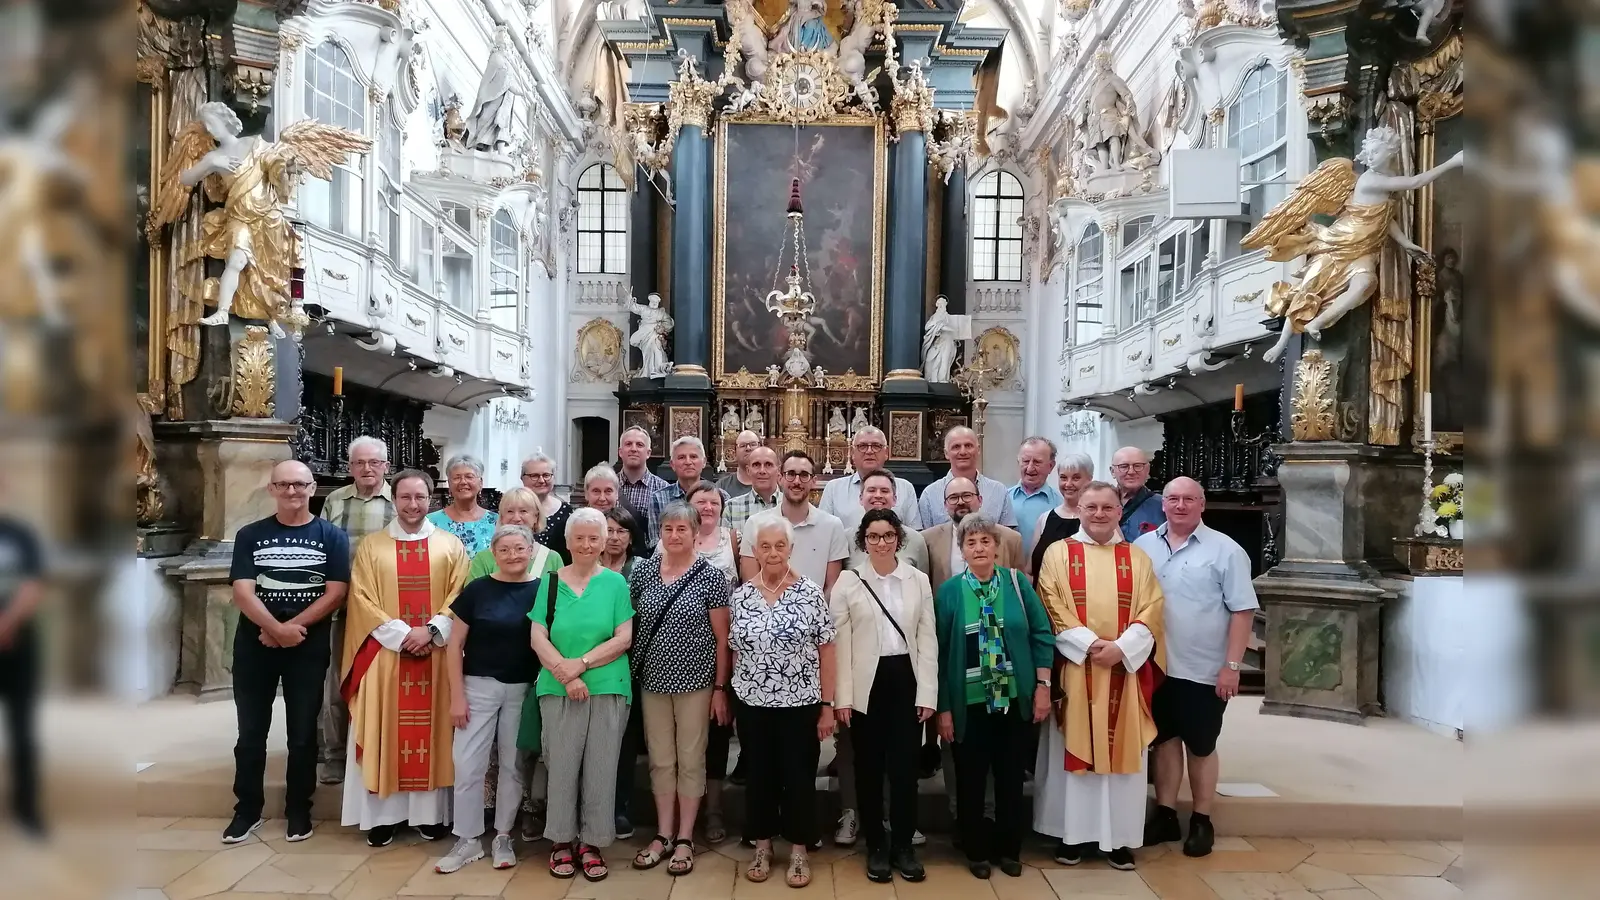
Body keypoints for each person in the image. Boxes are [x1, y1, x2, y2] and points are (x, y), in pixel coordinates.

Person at [1033, 481, 1166, 870]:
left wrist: (1122, 649)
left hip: (1124, 673)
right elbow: (1050, 602)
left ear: (1119, 512)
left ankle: (1118, 839)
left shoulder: (1136, 558)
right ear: (1080, 509)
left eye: (1107, 508)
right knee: (1073, 753)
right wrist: (1091, 645)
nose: (1099, 514)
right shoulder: (1060, 553)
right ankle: (1071, 837)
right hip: (1077, 669)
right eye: (1091, 507)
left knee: (1122, 755)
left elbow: (1152, 607)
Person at [340, 469, 471, 847]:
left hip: (436, 654)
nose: (413, 505)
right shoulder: (371, 546)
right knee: (385, 728)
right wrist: (403, 635)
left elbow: (460, 595)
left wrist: (429, 631)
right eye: (405, 497)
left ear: (431, 499)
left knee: (432, 736)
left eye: (420, 497)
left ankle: (428, 817)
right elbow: (362, 599)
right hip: (386, 656)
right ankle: (384, 817)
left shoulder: (450, 546)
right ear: (393, 499)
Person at [223, 460, 351, 844]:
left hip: (306, 647)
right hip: (254, 645)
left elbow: (336, 591)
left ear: (313, 488)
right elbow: (243, 590)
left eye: (299, 485)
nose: (292, 492)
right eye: (284, 485)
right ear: (272, 490)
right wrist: (275, 629)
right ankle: (247, 810)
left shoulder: (332, 536)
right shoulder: (250, 534)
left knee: (301, 735)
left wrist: (294, 629)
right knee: (250, 733)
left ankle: (299, 809)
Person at [1134, 477, 1257, 858]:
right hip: (1156, 665)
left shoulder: (1226, 551)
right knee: (1165, 741)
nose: (1180, 505)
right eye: (1173, 499)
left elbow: (1242, 610)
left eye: (1189, 499)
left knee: (1201, 745)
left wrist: (1232, 666)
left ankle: (1202, 819)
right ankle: (1166, 813)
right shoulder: (1142, 546)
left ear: (1202, 505)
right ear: (1163, 504)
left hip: (1204, 667)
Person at [932, 513, 1054, 879]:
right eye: (971, 543)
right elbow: (937, 652)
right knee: (970, 781)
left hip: (1013, 698)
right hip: (968, 702)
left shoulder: (1017, 584)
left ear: (998, 548)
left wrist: (1043, 687)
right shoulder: (950, 591)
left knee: (1009, 778)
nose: (980, 548)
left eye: (986, 541)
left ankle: (1009, 849)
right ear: (962, 550)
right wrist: (944, 709)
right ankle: (977, 851)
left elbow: (1042, 634)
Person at [830, 509, 936, 884]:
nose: (881, 542)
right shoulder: (847, 581)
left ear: (899, 538)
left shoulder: (917, 580)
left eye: (888, 535)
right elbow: (839, 644)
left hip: (905, 679)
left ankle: (903, 846)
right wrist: (840, 698)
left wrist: (927, 693)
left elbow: (927, 639)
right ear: (863, 541)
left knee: (906, 770)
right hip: (865, 685)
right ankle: (876, 845)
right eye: (873, 536)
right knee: (869, 769)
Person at [731, 517, 838, 889]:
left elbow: (827, 651)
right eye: (765, 546)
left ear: (791, 549)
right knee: (759, 777)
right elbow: (733, 651)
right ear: (755, 551)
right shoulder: (741, 596)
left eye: (780, 545)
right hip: (753, 705)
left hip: (801, 705)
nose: (773, 552)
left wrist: (827, 705)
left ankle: (798, 849)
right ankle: (762, 845)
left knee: (798, 778)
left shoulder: (810, 593)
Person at [530, 508, 635, 882]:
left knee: (602, 767)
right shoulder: (552, 580)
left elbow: (624, 638)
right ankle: (560, 841)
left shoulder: (616, 583)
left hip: (608, 686)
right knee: (560, 765)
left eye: (595, 537)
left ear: (605, 540)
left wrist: (582, 664)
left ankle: (592, 842)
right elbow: (537, 635)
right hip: (557, 686)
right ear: (568, 541)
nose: (588, 544)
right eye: (581, 537)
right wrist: (565, 671)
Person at [629, 502, 732, 876]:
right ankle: (663, 833)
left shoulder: (711, 577)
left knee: (691, 758)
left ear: (695, 533)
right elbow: (632, 625)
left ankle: (686, 836)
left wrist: (720, 688)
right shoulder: (643, 574)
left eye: (682, 530)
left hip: (696, 683)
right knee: (660, 758)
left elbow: (723, 639)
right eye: (668, 529)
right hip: (653, 682)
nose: (674, 536)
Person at [435, 525, 544, 874]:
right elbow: (455, 645)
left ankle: (502, 836)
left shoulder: (542, 591)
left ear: (531, 551)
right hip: (477, 687)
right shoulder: (478, 590)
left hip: (521, 689)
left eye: (519, 548)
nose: (513, 555)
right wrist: (456, 697)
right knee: (468, 764)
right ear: (493, 554)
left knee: (513, 767)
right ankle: (467, 839)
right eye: (505, 549)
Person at [463, 486, 561, 839]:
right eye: (510, 512)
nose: (518, 518)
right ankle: (487, 811)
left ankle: (528, 808)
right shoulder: (485, 559)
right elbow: (470, 612)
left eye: (526, 512)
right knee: (486, 749)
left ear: (538, 518)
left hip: (534, 669)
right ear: (499, 518)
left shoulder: (551, 559)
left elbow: (557, 612)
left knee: (524, 745)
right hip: (487, 668)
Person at [317, 436, 396, 785]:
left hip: (385, 612)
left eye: (375, 463)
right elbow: (320, 552)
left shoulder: (400, 502)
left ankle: (379, 748)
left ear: (386, 466)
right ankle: (334, 753)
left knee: (380, 682)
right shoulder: (335, 501)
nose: (367, 469)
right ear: (350, 467)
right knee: (336, 681)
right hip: (341, 606)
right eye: (360, 463)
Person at [738, 450, 848, 592]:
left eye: (804, 475)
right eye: (790, 474)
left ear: (814, 481)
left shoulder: (832, 526)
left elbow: (832, 587)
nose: (796, 481)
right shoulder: (755, 524)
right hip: (766, 611)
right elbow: (751, 585)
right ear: (780, 478)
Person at [0, 512, 45, 837]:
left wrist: (7, 624)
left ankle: (27, 808)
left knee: (22, 728)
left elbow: (33, 584)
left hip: (18, 642)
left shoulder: (20, 534)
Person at [924, 477, 1024, 586]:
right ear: (945, 505)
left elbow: (1019, 586)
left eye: (967, 496)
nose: (961, 502)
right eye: (953, 498)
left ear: (980, 500)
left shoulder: (1011, 539)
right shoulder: (928, 540)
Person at [818, 427, 923, 528]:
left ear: (886, 453)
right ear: (852, 453)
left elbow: (914, 534)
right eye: (862, 446)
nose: (869, 451)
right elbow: (824, 531)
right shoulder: (834, 488)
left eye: (876, 446)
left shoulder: (905, 488)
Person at [918, 427, 1019, 528]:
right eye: (956, 447)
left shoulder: (998, 491)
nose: (963, 452)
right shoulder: (930, 495)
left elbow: (1009, 538)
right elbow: (925, 539)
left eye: (968, 445)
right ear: (946, 453)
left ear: (978, 449)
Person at [646, 436, 729, 549]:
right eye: (681, 457)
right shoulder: (658, 498)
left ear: (704, 462)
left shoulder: (721, 497)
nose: (688, 462)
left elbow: (725, 538)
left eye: (693, 457)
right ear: (672, 464)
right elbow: (655, 543)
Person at [467, 487, 561, 580]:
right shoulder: (483, 559)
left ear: (536, 516)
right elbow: (472, 594)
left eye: (523, 511)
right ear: (502, 517)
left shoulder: (553, 558)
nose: (516, 518)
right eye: (510, 511)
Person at [844, 471, 929, 572]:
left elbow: (922, 583)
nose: (878, 495)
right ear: (861, 498)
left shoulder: (915, 540)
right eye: (871, 490)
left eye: (884, 491)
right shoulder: (846, 539)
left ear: (894, 499)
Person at [1028, 453, 1094, 579]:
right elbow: (1030, 570)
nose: (1068, 484)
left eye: (1076, 478)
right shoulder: (1045, 519)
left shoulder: (1099, 520)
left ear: (1089, 479)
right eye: (1063, 478)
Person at [668, 483, 739, 585]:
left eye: (714, 503)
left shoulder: (734, 539)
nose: (708, 508)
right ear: (687, 507)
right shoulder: (671, 539)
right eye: (701, 502)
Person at [428, 454, 500, 556]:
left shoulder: (496, 522)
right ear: (449, 484)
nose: (463, 482)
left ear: (481, 483)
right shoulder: (431, 522)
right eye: (457, 478)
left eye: (469, 477)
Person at [1008, 437, 1064, 559]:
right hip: (1008, 574)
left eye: (1037, 462)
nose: (1030, 468)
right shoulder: (1004, 499)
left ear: (1051, 466)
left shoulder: (1061, 504)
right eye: (1026, 461)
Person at [586, 464, 647, 557]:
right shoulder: (577, 523)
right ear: (586, 494)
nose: (602, 498)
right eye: (596, 491)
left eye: (608, 491)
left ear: (617, 493)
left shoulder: (630, 521)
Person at [522, 453, 573, 564]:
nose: (541, 480)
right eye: (534, 476)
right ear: (523, 478)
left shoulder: (567, 512)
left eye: (546, 475)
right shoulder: (513, 510)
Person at [614, 426, 668, 524]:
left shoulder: (663, 489)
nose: (633, 449)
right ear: (620, 452)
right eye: (628, 444)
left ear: (648, 453)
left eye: (639, 445)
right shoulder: (609, 486)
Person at [723, 445, 781, 533]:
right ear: (748, 471)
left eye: (768, 465)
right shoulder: (730, 509)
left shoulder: (792, 507)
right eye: (756, 465)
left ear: (778, 470)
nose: (762, 471)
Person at [1110, 447, 1164, 541]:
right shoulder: (1101, 502)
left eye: (1138, 466)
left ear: (1147, 470)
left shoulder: (1163, 505)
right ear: (1112, 471)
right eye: (1124, 466)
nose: (1131, 472)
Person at [716, 430, 764, 498]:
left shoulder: (771, 484)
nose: (748, 448)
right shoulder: (722, 486)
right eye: (742, 445)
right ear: (735, 452)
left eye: (753, 444)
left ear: (761, 448)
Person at [601, 506, 641, 578]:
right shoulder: (589, 564)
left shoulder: (641, 566)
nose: (614, 537)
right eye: (609, 530)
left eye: (621, 531)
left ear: (631, 538)